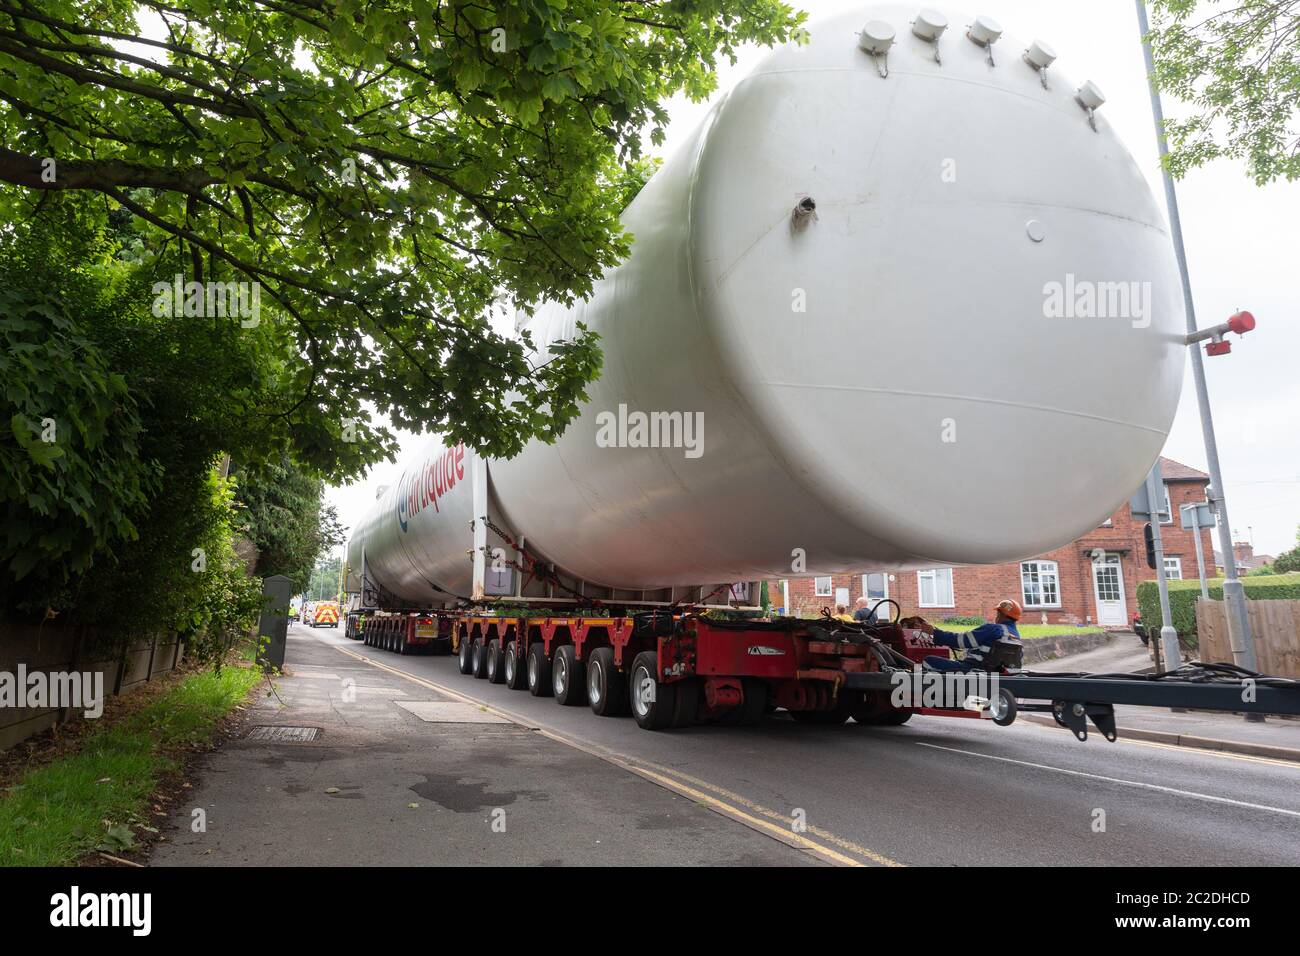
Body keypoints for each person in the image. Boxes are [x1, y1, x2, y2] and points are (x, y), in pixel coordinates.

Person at [916, 599, 1023, 672]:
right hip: (994, 673)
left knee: (928, 661)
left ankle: (938, 701)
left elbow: (961, 641)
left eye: (997, 613)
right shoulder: (1016, 636)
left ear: (1001, 614)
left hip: (973, 670)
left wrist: (934, 632)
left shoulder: (994, 629)